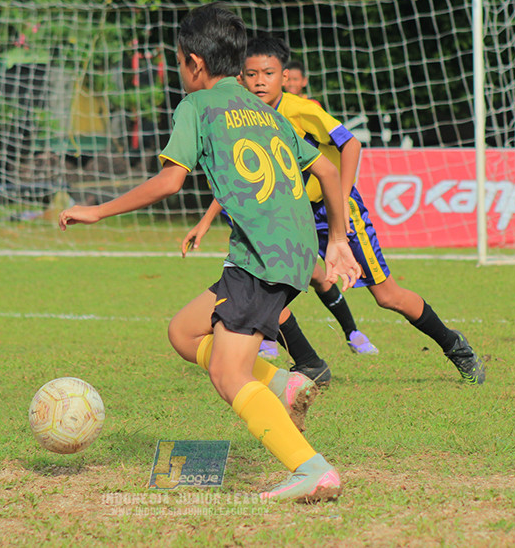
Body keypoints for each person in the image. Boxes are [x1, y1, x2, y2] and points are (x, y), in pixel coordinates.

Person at [60, 3, 362, 502]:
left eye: (179, 63)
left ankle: (311, 470)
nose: (180, 72)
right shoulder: (266, 111)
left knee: (227, 374)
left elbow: (170, 180)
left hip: (261, 257)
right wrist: (335, 241)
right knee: (183, 332)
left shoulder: (196, 107)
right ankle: (284, 385)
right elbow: (328, 172)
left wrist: (98, 210)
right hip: (288, 250)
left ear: (195, 64)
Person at [185, 33, 486, 385]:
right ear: (240, 76)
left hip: (336, 211)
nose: (259, 82)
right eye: (251, 74)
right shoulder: (246, 116)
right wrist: (206, 220)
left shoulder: (302, 110)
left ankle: (455, 345)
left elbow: (351, 143)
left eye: (268, 73)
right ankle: (309, 362)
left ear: (285, 77)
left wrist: (340, 202)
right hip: (293, 214)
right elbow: (244, 176)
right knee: (270, 280)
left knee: (387, 296)